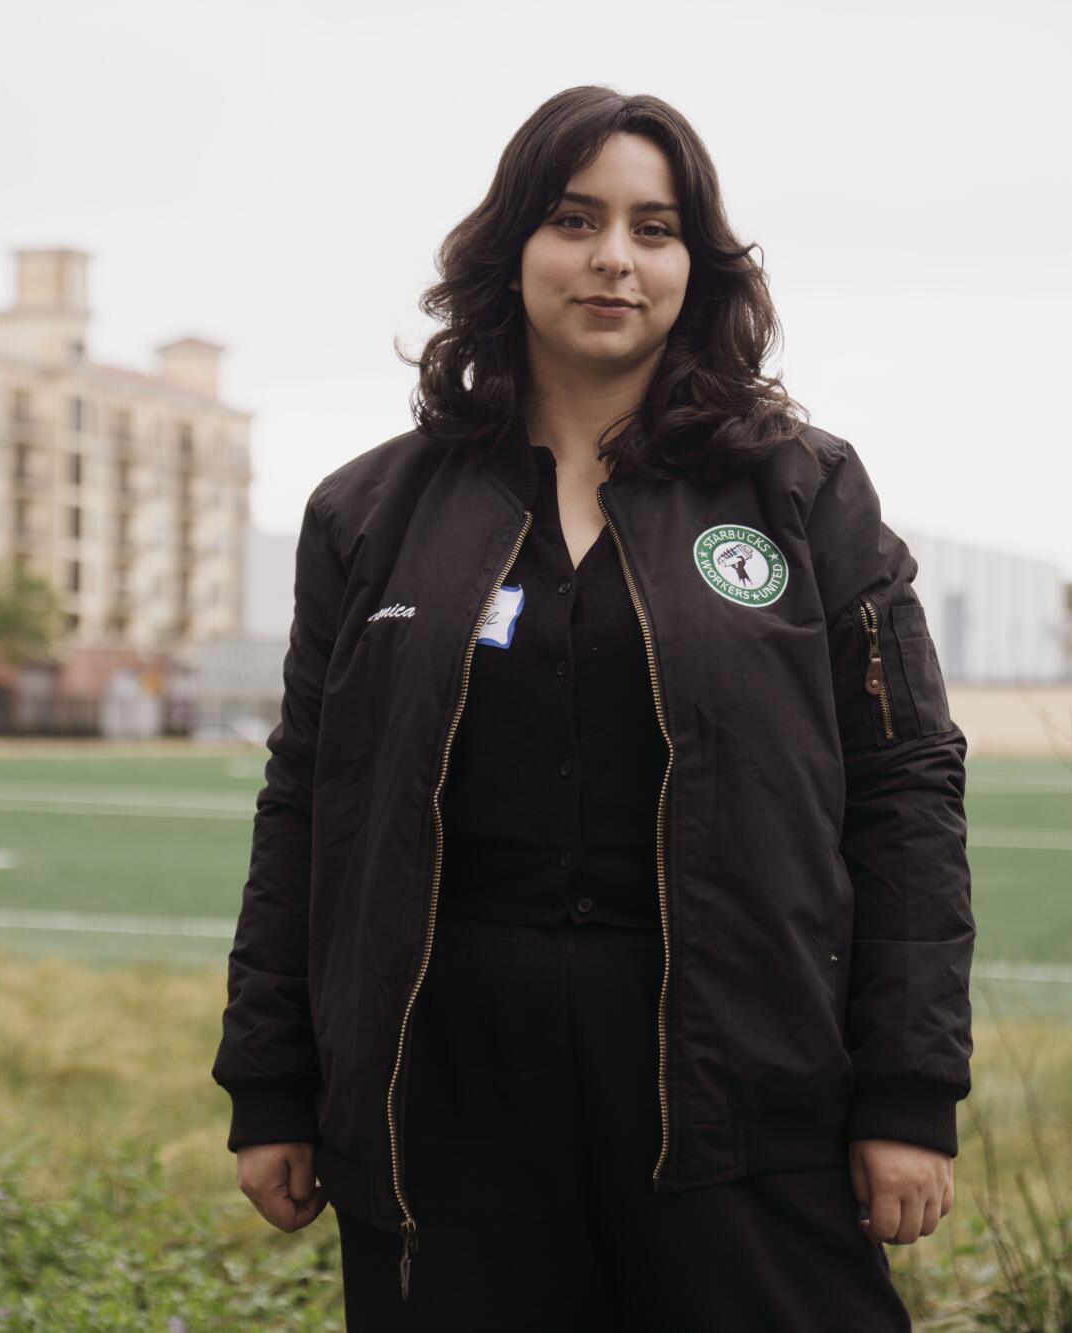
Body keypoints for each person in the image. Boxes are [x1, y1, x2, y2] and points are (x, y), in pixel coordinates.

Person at [213, 84, 974, 1331]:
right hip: (446, 1083)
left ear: (696, 267)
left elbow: (904, 789)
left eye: (654, 227)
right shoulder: (370, 513)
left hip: (736, 1079)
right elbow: (307, 800)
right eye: (574, 219)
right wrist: (274, 1079)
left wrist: (905, 1090)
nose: (613, 257)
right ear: (508, 249)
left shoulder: (800, 491)